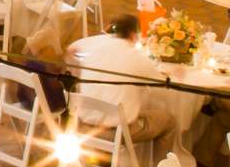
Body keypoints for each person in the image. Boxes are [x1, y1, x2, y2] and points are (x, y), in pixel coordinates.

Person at [68, 11, 173, 145]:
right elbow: (162, 87)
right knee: (168, 121)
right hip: (117, 132)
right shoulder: (136, 57)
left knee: (128, 106)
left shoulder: (95, 49)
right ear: (133, 34)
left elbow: (71, 52)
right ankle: (161, 165)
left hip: (83, 127)